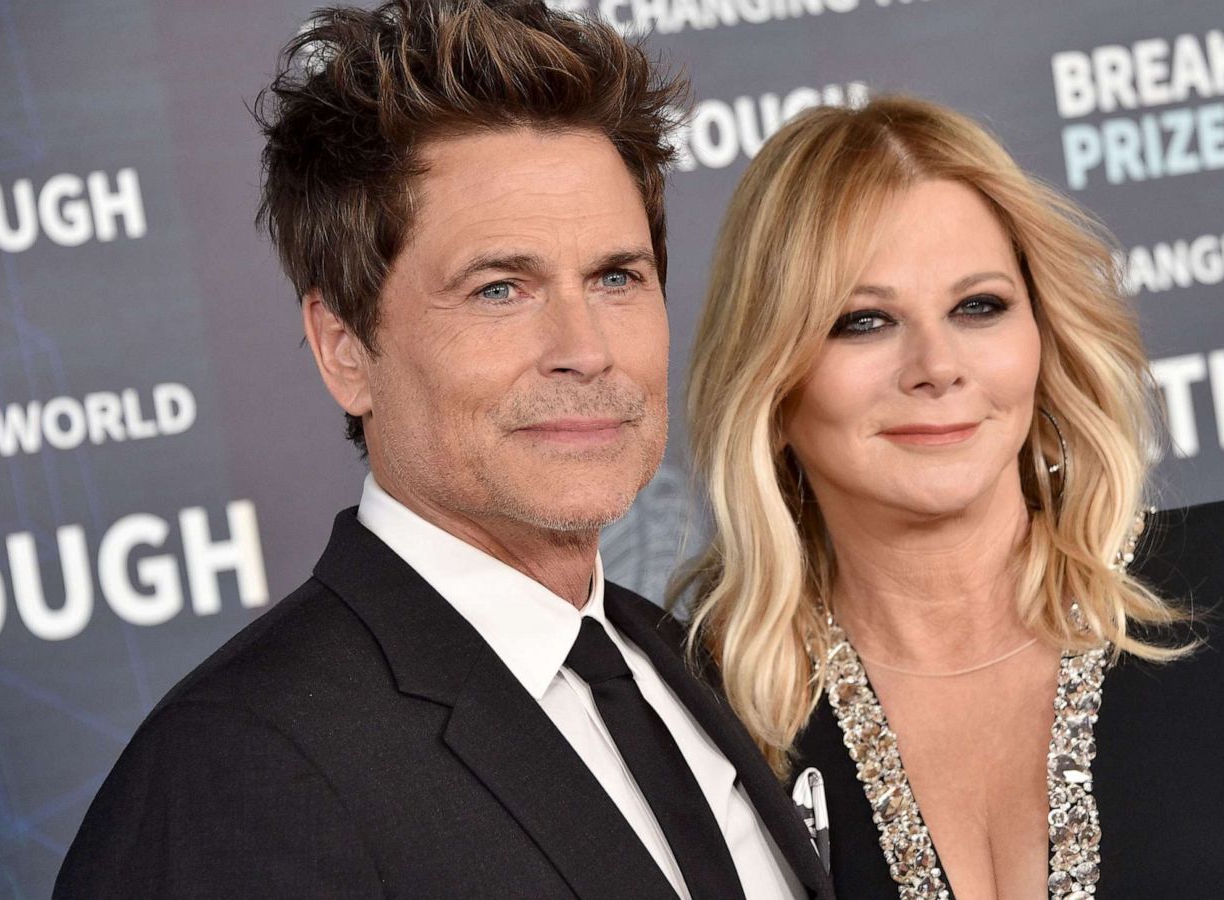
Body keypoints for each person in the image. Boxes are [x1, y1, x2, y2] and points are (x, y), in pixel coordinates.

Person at [55, 2, 829, 898]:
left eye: (617, 277)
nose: (585, 346)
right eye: (500, 288)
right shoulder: (239, 766)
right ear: (345, 348)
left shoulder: (684, 667)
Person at [674, 95, 1224, 900]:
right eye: (862, 322)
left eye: (979, 306)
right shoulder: (707, 711)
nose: (937, 364)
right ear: (773, 381)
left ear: (1043, 338)